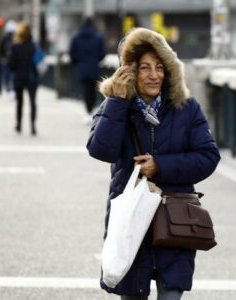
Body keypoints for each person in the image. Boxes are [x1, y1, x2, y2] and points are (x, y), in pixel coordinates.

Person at [87, 27, 220, 299]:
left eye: (159, 67)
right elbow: (100, 149)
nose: (154, 75)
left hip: (175, 217)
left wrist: (160, 165)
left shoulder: (187, 107)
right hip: (132, 219)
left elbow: (208, 157)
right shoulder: (116, 105)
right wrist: (117, 102)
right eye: (145, 68)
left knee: (171, 293)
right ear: (131, 71)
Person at [69, 17, 106, 123]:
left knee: (85, 89)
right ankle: (92, 109)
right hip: (94, 67)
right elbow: (102, 53)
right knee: (93, 89)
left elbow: (72, 54)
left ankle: (87, 111)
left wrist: (77, 63)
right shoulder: (98, 37)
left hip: (81, 68)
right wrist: (96, 60)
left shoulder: (76, 38)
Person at [7, 22, 40, 135]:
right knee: (32, 102)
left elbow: (11, 64)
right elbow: (38, 62)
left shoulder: (15, 46)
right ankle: (33, 127)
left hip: (19, 77)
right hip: (32, 77)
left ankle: (19, 125)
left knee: (19, 102)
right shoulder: (34, 46)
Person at [0, 19, 17, 100]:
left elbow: (0, 48)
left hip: (6, 59)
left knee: (6, 75)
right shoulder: (17, 37)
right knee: (13, 75)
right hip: (15, 60)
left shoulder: (4, 37)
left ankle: (8, 89)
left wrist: (3, 56)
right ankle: (12, 90)